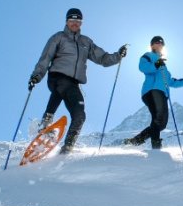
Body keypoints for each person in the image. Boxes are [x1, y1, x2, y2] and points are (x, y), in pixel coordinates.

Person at [28, 8, 127, 154]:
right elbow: (46, 57)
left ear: (81, 23)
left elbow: (103, 58)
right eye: (72, 20)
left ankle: (68, 147)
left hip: (74, 83)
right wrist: (36, 76)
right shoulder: (58, 37)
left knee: (80, 115)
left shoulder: (85, 42)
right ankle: (45, 123)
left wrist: (118, 55)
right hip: (57, 76)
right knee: (63, 85)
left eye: (78, 21)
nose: (75, 23)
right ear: (67, 21)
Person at [123, 36, 183, 149]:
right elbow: (143, 67)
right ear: (152, 45)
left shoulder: (164, 67)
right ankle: (156, 145)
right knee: (159, 118)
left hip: (161, 93)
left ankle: (135, 141)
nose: (160, 44)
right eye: (157, 42)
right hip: (153, 90)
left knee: (161, 123)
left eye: (162, 43)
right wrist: (156, 64)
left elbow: (171, 81)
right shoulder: (148, 56)